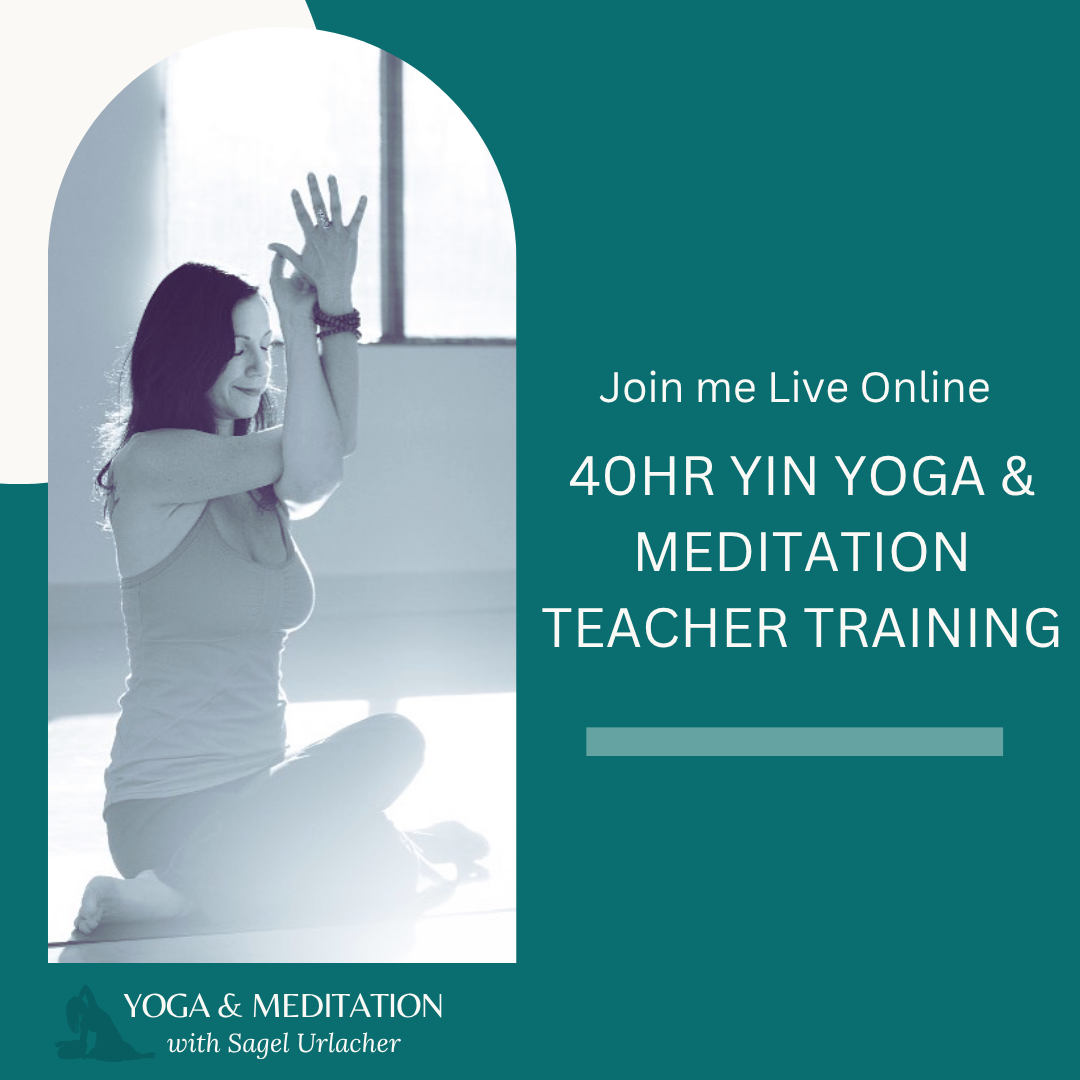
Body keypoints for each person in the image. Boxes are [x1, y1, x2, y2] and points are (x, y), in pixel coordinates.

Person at [75, 176, 485, 937]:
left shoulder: (264, 482)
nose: (258, 366)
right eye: (235, 349)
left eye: (263, 346)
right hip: (166, 808)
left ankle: (211, 888)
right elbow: (326, 448)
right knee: (374, 807)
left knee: (390, 783)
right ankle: (172, 885)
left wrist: (332, 305)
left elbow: (324, 458)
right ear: (185, 353)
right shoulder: (150, 465)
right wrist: (306, 324)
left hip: (258, 790)